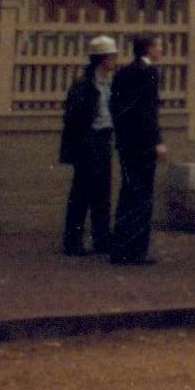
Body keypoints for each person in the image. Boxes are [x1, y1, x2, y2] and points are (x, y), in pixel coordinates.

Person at [106, 32, 166, 264]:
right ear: (149, 48)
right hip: (143, 144)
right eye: (158, 45)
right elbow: (148, 110)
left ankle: (120, 246)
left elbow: (116, 105)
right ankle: (137, 250)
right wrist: (156, 140)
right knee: (142, 196)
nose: (161, 50)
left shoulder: (123, 72)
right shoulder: (149, 72)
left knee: (127, 193)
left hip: (126, 142)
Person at [57, 37, 120, 256]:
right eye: (112, 57)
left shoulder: (107, 85)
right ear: (102, 59)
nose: (115, 61)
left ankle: (101, 239)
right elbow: (75, 119)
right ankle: (73, 241)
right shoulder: (84, 85)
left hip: (103, 138)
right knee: (82, 193)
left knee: (102, 192)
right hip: (88, 141)